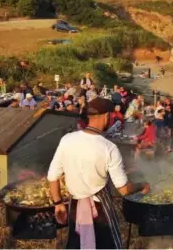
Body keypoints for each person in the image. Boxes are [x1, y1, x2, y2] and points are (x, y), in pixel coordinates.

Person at [47, 97, 150, 249]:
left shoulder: (67, 140)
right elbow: (123, 189)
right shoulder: (109, 147)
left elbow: (52, 176)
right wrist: (142, 185)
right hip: (100, 209)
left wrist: (58, 203)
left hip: (75, 206)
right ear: (107, 116)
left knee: (78, 244)